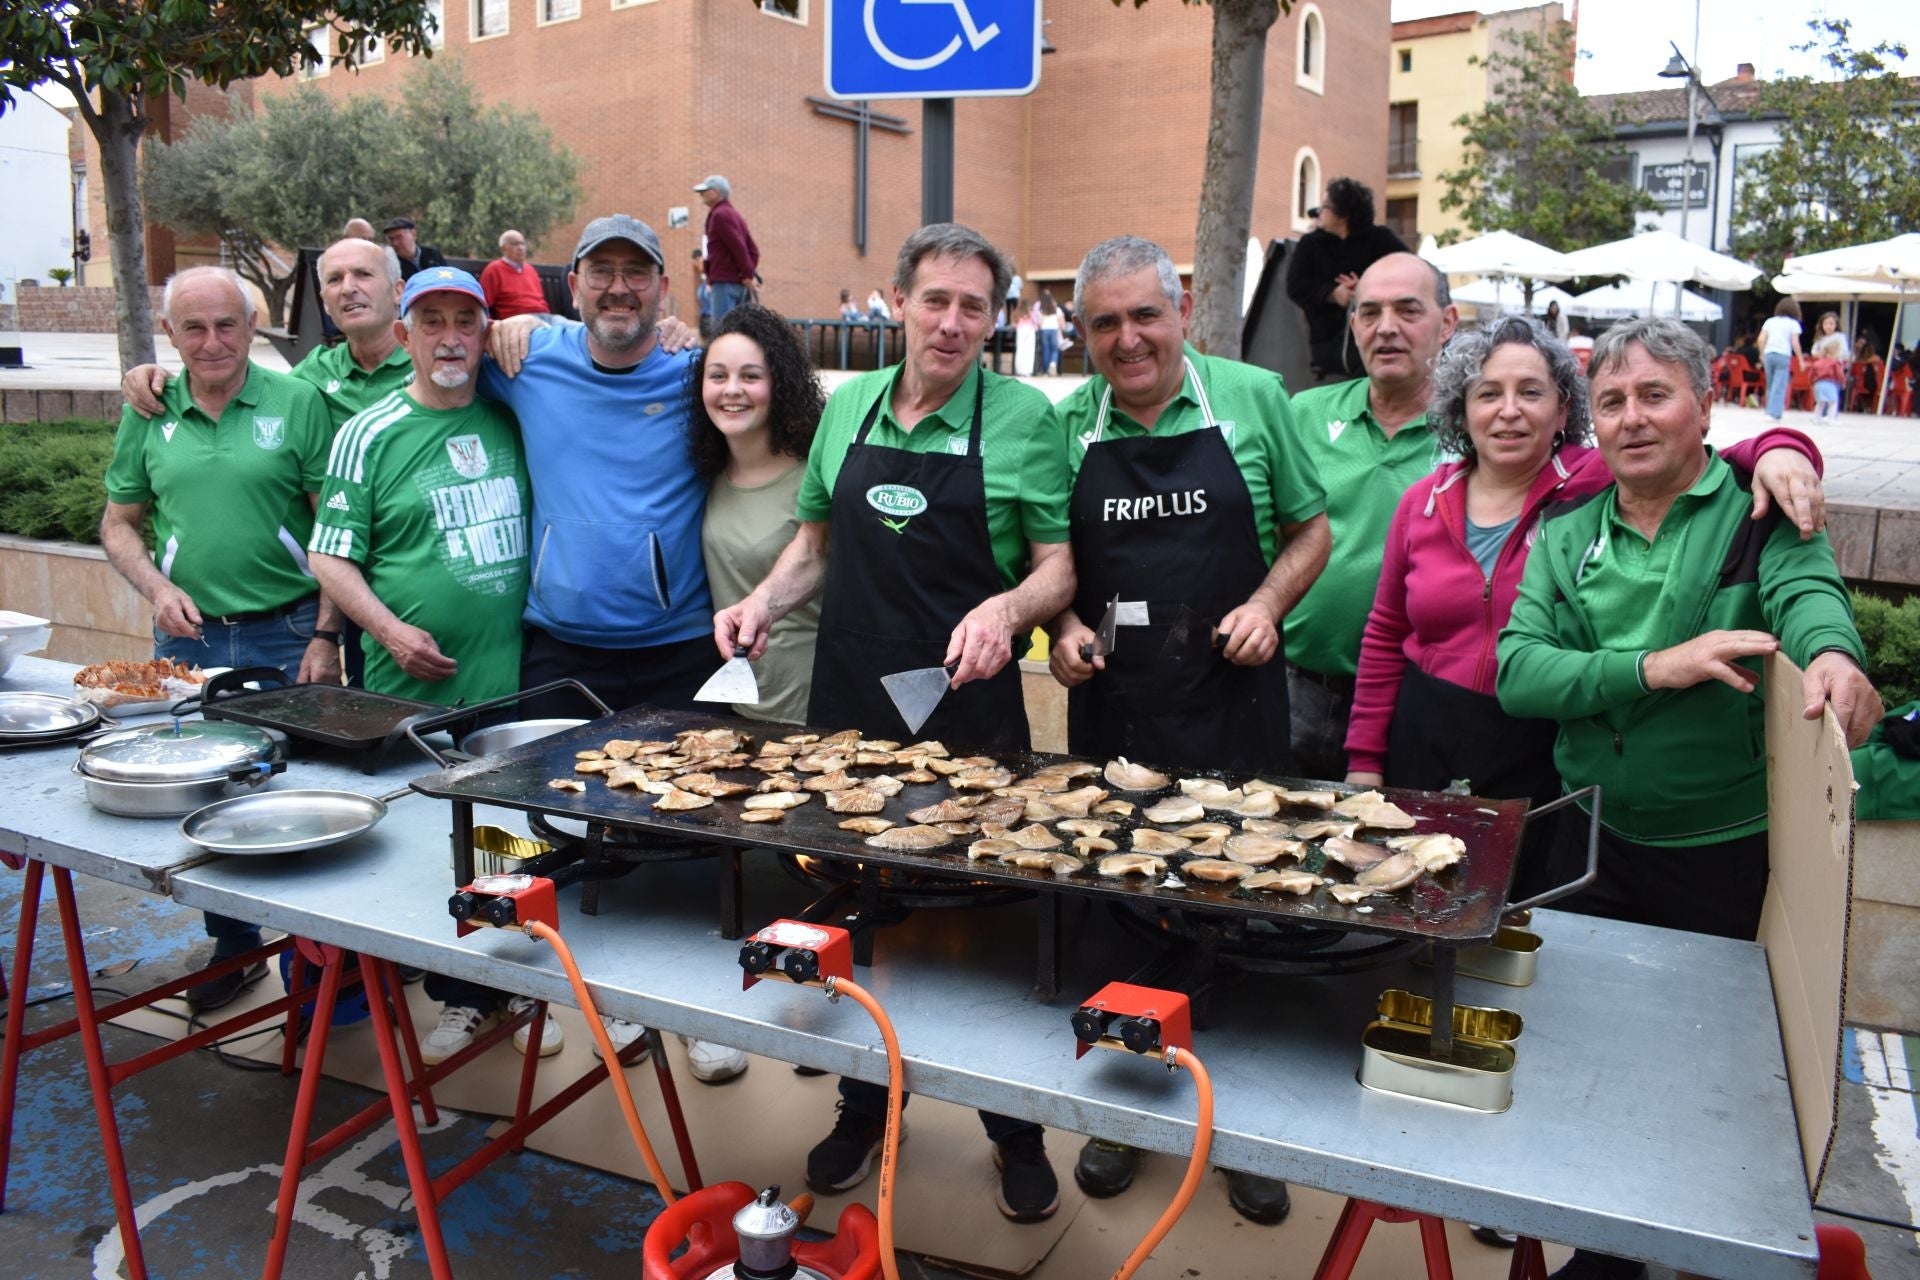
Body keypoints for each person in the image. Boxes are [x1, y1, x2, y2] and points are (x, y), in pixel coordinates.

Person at [1496, 316, 1880, 1280]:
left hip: (1722, 847)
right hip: (1592, 837)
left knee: (1712, 1074)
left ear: (1706, 406)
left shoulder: (1752, 513)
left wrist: (1834, 657)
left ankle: (1701, 1243)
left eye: (1654, 395)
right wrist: (1657, 666)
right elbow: (1519, 671)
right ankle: (1603, 1245)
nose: (1631, 419)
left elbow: (1808, 590)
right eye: (1612, 401)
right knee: (1586, 1055)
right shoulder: (1569, 529)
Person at [714, 223, 1075, 1224]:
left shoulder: (1020, 421)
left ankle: (1014, 1128)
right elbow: (815, 543)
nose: (953, 322)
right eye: (936, 300)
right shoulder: (847, 410)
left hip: (970, 714)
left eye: (973, 306)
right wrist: (763, 602)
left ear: (994, 319)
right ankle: (867, 1102)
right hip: (852, 715)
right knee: (860, 919)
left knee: (986, 932)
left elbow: (1059, 566)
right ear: (900, 302)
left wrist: (1009, 611)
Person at [1046, 235, 1330, 1226]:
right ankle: (1124, 1113)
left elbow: (1312, 529)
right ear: (1082, 331)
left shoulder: (1253, 397)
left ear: (1185, 306)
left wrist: (1266, 603)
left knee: (1241, 913)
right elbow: (1053, 565)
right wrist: (1063, 629)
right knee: (1124, 910)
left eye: (1145, 315)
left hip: (1234, 709)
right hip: (1117, 715)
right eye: (1104, 323)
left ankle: (1237, 1132)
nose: (1128, 340)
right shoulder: (1065, 422)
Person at [1345, 316, 1825, 901]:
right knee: (1408, 891)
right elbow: (1384, 632)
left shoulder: (1592, 481)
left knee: (1515, 905)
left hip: (1535, 741)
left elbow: (1697, 451)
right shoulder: (1423, 502)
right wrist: (1364, 760)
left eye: (1530, 392)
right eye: (1488, 393)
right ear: (1460, 408)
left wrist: (1784, 447)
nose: (1509, 410)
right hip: (1427, 728)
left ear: (1564, 408)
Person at [306, 266, 557, 1064]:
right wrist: (387, 631)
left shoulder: (509, 419)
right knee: (440, 853)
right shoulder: (369, 431)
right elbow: (329, 556)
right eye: (432, 322)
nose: (450, 337)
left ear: (484, 332)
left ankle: (519, 979)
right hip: (414, 694)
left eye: (465, 321)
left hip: (515, 685)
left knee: (514, 844)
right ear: (406, 333)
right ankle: (460, 994)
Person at [100, 267, 343, 1011]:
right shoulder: (149, 408)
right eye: (193, 328)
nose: (212, 343)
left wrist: (329, 635)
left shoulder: (298, 401)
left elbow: (336, 532)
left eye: (227, 325)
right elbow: (118, 524)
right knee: (201, 801)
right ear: (169, 335)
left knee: (301, 797)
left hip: (290, 632)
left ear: (251, 326)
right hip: (188, 645)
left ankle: (316, 970)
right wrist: (158, 589)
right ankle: (234, 947)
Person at [1282, 253, 1457, 779]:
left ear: (1447, 323)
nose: (1386, 329)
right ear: (1352, 323)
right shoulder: (1304, 414)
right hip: (1294, 692)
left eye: (1408, 310)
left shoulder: (1475, 434)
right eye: (1369, 312)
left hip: (1414, 700)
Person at [693, 302, 827, 727]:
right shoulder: (704, 474)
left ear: (781, 385)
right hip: (732, 704)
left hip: (811, 709)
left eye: (750, 376)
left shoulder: (815, 477)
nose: (732, 389)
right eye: (718, 376)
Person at [1283, 177, 1409, 383]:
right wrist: (1333, 293)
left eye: (1325, 207)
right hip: (1328, 340)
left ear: (1342, 215)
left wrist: (1366, 288)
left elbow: (1411, 271)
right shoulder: (1311, 244)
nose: (1318, 212)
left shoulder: (1381, 240)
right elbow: (1295, 287)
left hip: (1377, 333)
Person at [693, 175, 758, 327]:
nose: (701, 194)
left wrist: (748, 274)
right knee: (739, 333)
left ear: (716, 192)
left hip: (724, 284)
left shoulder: (719, 215)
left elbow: (738, 247)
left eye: (705, 191)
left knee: (721, 332)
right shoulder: (735, 215)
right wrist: (747, 274)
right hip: (737, 284)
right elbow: (753, 251)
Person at [479, 229, 550, 321]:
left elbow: (540, 301)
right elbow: (483, 303)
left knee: (573, 327)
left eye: (523, 244)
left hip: (545, 317)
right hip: (518, 320)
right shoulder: (493, 269)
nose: (520, 248)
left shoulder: (530, 269)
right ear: (503, 248)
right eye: (515, 244)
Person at [1757, 297, 1804, 421]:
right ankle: (1774, 413)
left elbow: (1761, 339)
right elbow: (1795, 343)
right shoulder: (1793, 324)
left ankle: (1768, 411)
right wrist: (1800, 360)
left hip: (1769, 353)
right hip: (1783, 354)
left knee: (1770, 384)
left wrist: (1762, 354)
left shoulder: (1770, 321)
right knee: (1780, 384)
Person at [1033, 289, 1063, 376]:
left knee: (1045, 350)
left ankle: (1045, 371)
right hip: (1054, 330)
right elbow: (1061, 324)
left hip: (1044, 330)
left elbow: (1039, 323)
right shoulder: (1057, 310)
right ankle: (1053, 364)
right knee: (1054, 349)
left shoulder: (1041, 311)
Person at [693, 249, 712, 339]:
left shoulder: (705, 263)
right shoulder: (703, 272)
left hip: (709, 314)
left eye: (696, 261)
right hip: (705, 313)